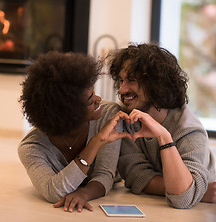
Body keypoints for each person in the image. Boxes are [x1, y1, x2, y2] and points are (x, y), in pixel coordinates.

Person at [108, 43, 216, 209]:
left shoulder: (190, 131)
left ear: (156, 85)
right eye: (121, 81)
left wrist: (163, 137)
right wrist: (196, 191)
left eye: (131, 81)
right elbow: (136, 176)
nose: (121, 89)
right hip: (150, 209)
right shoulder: (127, 120)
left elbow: (182, 198)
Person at [18, 51, 132, 213]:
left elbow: (105, 175)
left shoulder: (109, 116)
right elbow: (53, 191)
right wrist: (96, 141)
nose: (98, 99)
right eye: (90, 99)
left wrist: (84, 193)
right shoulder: (31, 148)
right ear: (68, 112)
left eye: (94, 93)